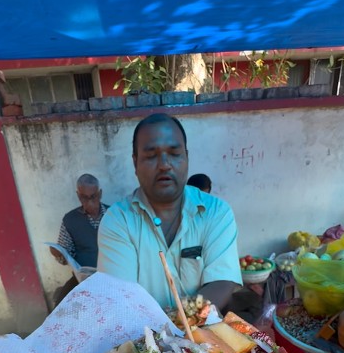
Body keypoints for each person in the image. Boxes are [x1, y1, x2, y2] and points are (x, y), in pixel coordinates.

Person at [97, 113, 250, 317]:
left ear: (186, 157)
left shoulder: (216, 212)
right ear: (135, 163)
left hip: (204, 339)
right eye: (151, 156)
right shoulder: (118, 221)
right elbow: (120, 299)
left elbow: (221, 282)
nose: (164, 164)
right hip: (142, 341)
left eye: (174, 153)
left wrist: (176, 319)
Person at [48, 174, 109, 307]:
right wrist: (58, 254)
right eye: (84, 197)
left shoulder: (114, 214)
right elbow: (66, 257)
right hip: (83, 280)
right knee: (61, 305)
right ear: (78, 195)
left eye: (93, 196)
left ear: (100, 194)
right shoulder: (70, 220)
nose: (89, 202)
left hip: (113, 276)